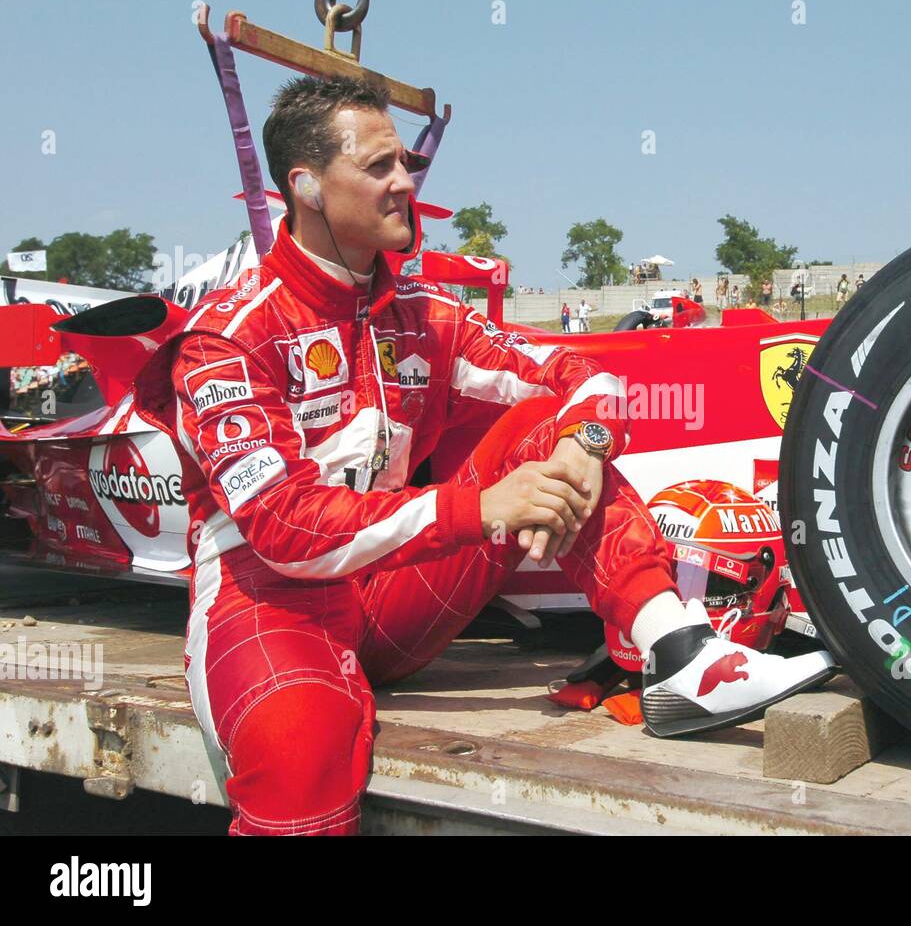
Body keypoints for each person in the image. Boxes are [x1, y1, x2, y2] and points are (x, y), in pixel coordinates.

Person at [130, 76, 832, 836]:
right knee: (300, 749)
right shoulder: (225, 336)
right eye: (378, 167)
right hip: (267, 597)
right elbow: (283, 526)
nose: (405, 182)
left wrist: (586, 443)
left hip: (386, 595)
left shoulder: (426, 317)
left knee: (545, 425)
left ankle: (679, 651)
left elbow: (586, 378)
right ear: (304, 186)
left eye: (403, 160)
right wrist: (480, 507)